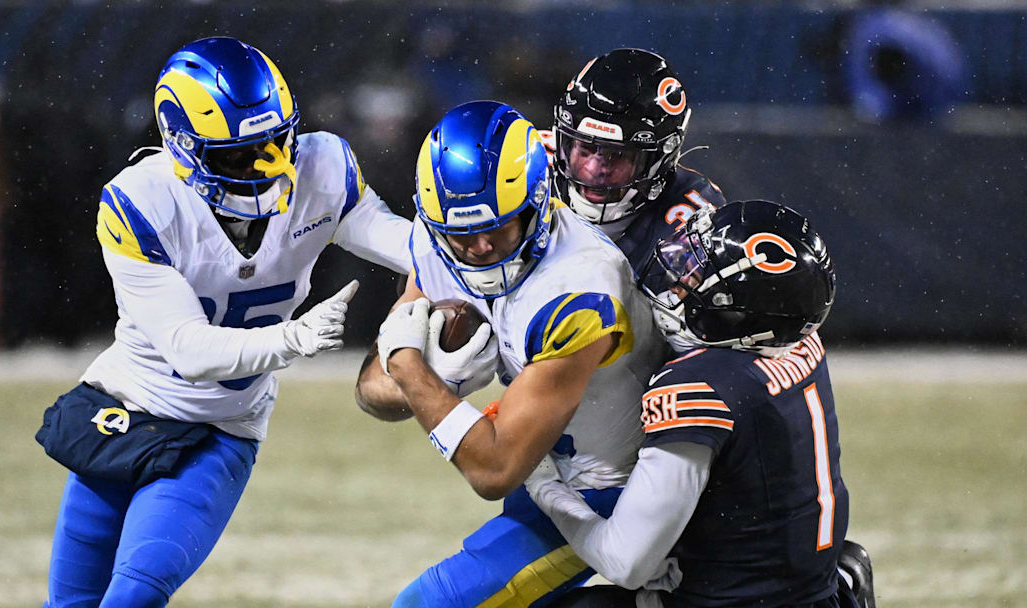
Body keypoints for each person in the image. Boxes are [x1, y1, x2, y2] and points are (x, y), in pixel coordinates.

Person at [38, 37, 412, 607]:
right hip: (125, 406)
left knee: (134, 595)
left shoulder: (321, 168)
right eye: (239, 156)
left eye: (276, 145)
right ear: (184, 148)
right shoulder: (141, 201)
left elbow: (407, 245)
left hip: (217, 429)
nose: (267, 168)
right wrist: (293, 338)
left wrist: (484, 249)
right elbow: (189, 351)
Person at [354, 100, 664, 606]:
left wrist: (413, 370)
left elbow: (494, 470)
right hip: (547, 470)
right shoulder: (438, 241)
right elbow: (371, 391)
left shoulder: (580, 291)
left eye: (497, 227)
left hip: (613, 491)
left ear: (537, 202)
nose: (479, 247)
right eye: (462, 234)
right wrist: (431, 378)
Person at [525, 201, 875, 608]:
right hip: (815, 588)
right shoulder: (797, 337)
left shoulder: (699, 387)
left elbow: (623, 561)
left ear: (736, 314)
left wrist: (545, 487)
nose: (678, 281)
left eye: (697, 277)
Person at [548, 48, 726, 269]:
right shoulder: (529, 165)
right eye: (585, 149)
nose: (594, 168)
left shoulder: (691, 219)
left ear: (661, 159)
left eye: (617, 156)